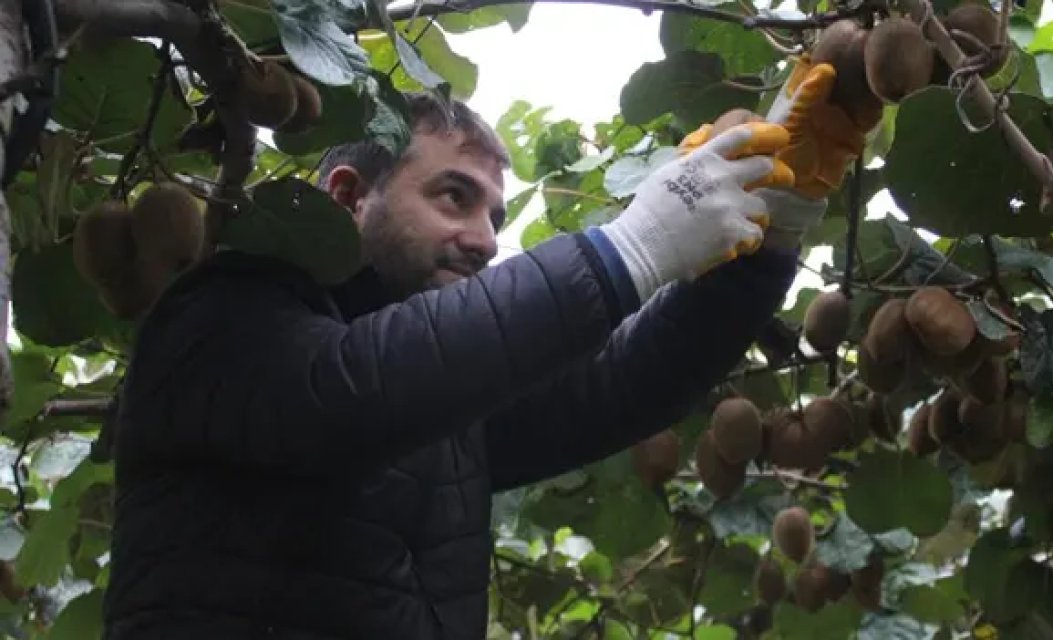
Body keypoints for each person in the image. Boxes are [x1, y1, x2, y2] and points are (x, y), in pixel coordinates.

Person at [101, 57, 856, 639]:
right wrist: (633, 246)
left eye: (496, 214)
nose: (487, 241)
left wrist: (769, 233)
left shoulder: (451, 413)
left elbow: (620, 384)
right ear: (346, 196)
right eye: (452, 197)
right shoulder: (218, 313)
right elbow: (347, 390)